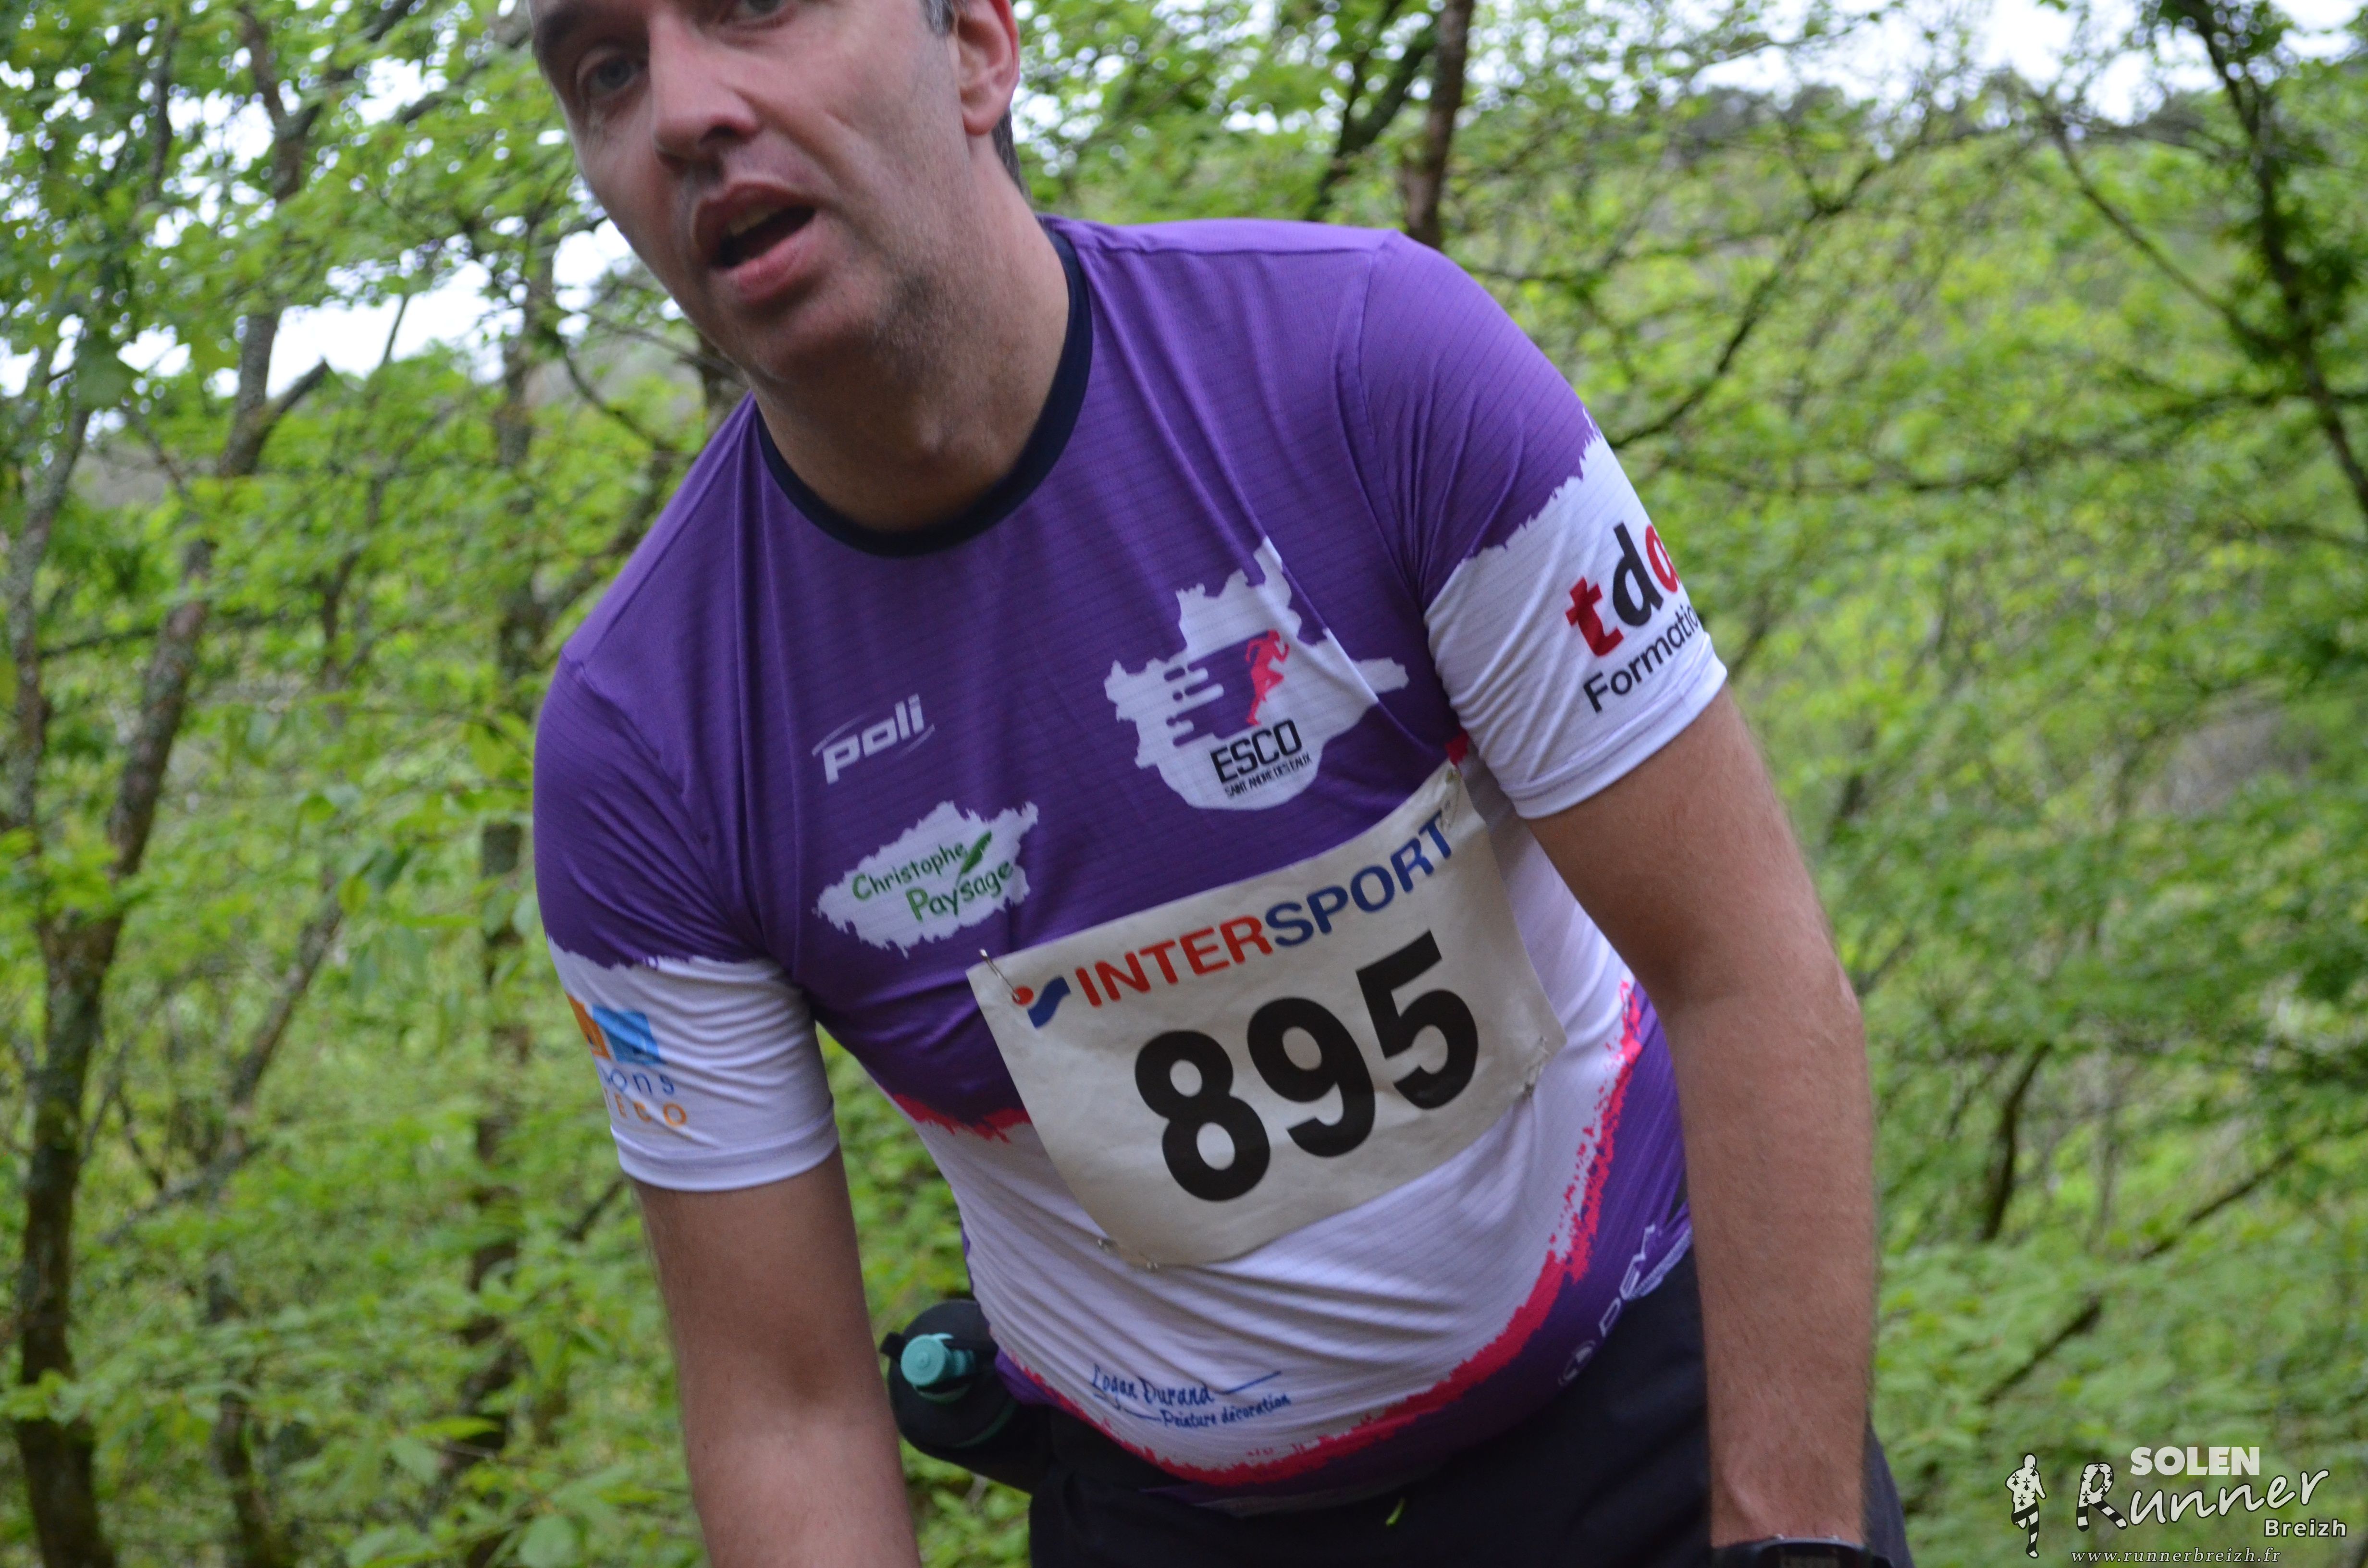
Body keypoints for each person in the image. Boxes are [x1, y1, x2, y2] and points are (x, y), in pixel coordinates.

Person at [523, 0, 1915, 1557]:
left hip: (1648, 1404)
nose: (683, 111)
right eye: (605, 72)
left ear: (976, 46)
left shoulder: (1370, 364)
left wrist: (1789, 1535)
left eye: (753, 7)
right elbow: (786, 1409)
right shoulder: (644, 738)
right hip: (1172, 1519)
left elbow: (1746, 968)